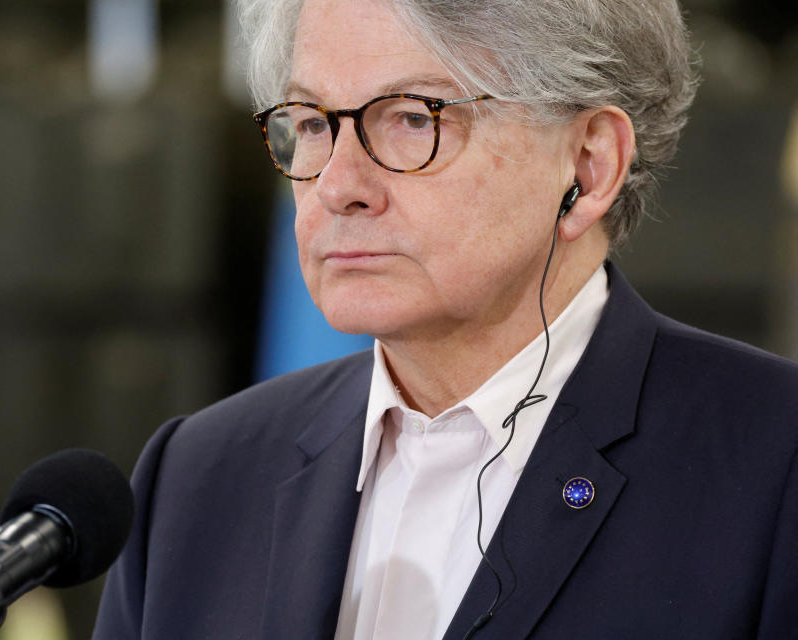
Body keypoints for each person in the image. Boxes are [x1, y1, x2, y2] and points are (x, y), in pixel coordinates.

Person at [92, 0, 798, 638]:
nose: (337, 186)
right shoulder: (195, 478)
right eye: (310, 123)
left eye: (411, 118)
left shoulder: (773, 468)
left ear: (588, 164)